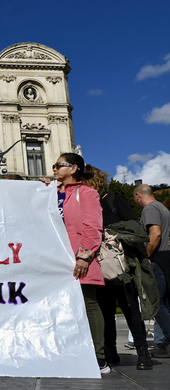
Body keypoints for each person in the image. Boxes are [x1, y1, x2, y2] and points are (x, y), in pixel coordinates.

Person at [42, 153, 107, 373]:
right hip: (55, 260)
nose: (55, 169)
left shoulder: (87, 194)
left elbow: (93, 227)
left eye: (59, 165)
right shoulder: (49, 193)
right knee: (60, 307)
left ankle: (99, 357)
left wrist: (84, 256)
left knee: (88, 304)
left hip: (78, 257)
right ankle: (68, 352)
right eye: (54, 165)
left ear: (74, 168)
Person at [87, 166, 153, 369]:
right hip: (100, 267)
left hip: (122, 266)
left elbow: (135, 226)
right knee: (105, 311)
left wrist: (113, 234)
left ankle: (143, 354)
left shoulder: (113, 200)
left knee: (130, 309)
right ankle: (110, 352)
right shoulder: (88, 205)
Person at [134, 184, 170, 357]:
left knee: (156, 303)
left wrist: (146, 256)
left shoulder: (150, 209)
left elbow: (155, 233)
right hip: (166, 257)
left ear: (138, 196)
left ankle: (169, 341)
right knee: (166, 303)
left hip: (157, 259)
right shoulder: (163, 208)